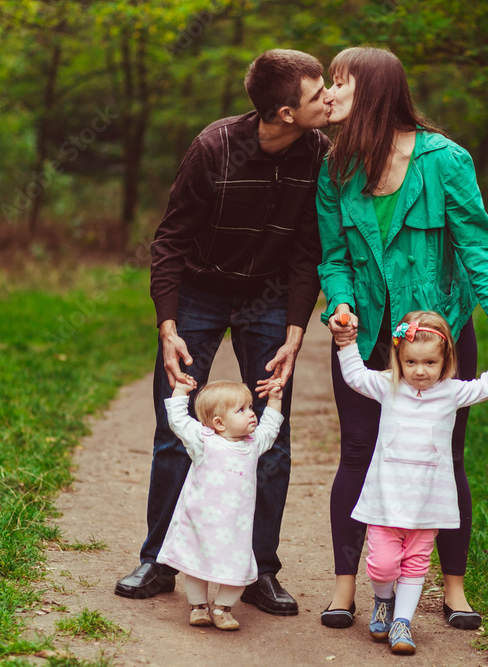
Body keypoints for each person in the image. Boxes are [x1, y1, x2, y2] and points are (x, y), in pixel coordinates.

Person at [316, 46, 488, 630]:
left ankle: (455, 589)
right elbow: (334, 257)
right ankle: (346, 589)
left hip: (438, 338)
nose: (328, 94)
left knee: (449, 456)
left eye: (339, 83)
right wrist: (339, 303)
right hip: (362, 337)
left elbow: (480, 248)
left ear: (375, 91)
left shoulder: (446, 160)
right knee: (359, 456)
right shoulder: (336, 167)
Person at [115, 49, 331, 617]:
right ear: (285, 112)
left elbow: (310, 249)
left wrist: (293, 330)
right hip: (199, 293)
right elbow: (170, 240)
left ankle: (260, 569)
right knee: (175, 424)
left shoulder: (321, 154)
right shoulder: (214, 147)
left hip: (268, 297)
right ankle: (160, 560)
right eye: (318, 93)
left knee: (269, 436)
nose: (330, 98)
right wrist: (168, 327)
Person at [333, 311, 488, 653]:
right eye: (410, 361)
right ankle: (384, 600)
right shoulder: (388, 387)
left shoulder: (451, 393)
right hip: (386, 500)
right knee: (382, 566)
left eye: (429, 362)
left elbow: (485, 385)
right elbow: (353, 376)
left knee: (415, 565)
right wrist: (346, 342)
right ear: (398, 358)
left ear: (445, 361)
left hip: (429, 501)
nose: (420, 370)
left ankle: (402, 623)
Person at [159, 377, 285, 631]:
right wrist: (180, 393)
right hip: (201, 522)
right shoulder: (204, 441)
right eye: (241, 410)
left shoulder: (253, 444)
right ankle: (198, 607)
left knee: (239, 570)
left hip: (235, 528)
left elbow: (270, 428)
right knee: (195, 565)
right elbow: (179, 422)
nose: (251, 414)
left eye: (250, 407)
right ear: (218, 423)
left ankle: (222, 608)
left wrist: (274, 400)